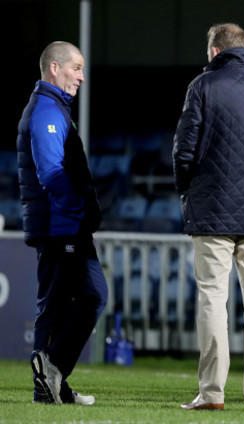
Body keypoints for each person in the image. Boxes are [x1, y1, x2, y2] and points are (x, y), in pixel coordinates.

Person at [172, 23, 244, 412]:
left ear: (215, 51)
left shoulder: (202, 87)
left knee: (213, 300)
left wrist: (187, 190)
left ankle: (212, 395)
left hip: (212, 211)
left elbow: (184, 150)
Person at [16, 41, 107, 405]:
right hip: (61, 226)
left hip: (65, 225)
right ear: (55, 68)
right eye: (76, 68)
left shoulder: (53, 109)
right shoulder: (46, 112)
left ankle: (53, 381)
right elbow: (51, 173)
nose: (82, 77)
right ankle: (49, 376)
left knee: (73, 301)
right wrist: (79, 212)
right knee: (71, 301)